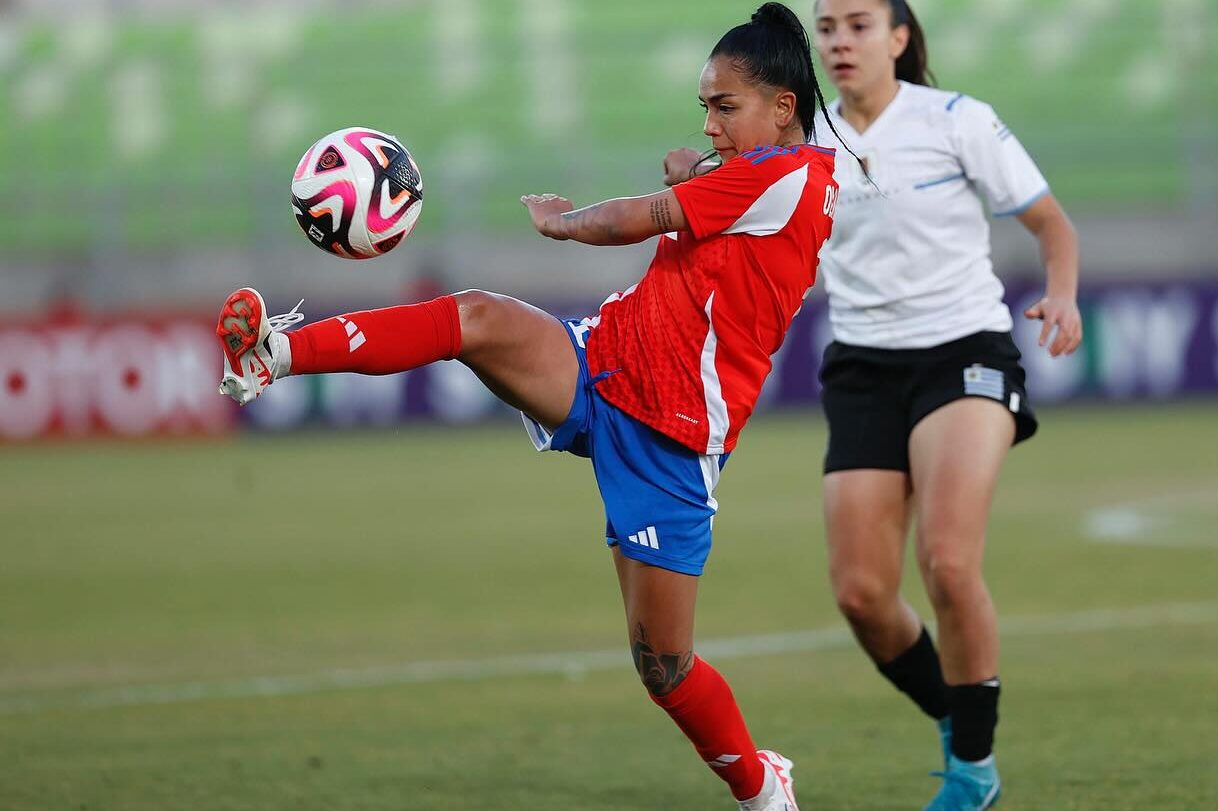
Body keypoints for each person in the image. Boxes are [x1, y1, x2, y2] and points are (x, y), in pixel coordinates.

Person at [213, 5, 842, 809]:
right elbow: (733, 214)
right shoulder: (780, 170)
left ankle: (761, 785)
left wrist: (564, 223)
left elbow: (636, 218)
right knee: (475, 317)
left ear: (782, 107)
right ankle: (274, 353)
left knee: (664, 666)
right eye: (705, 108)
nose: (712, 124)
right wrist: (699, 173)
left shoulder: (783, 175)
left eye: (726, 107)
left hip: (672, 436)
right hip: (606, 358)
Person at [815, 1, 1081, 808]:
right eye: (825, 26)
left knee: (948, 561)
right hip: (861, 366)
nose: (838, 41)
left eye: (858, 24)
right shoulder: (805, 142)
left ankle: (972, 771)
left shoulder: (957, 121)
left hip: (964, 352)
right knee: (861, 594)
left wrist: (1062, 296)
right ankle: (958, 715)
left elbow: (1050, 223)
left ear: (898, 38)